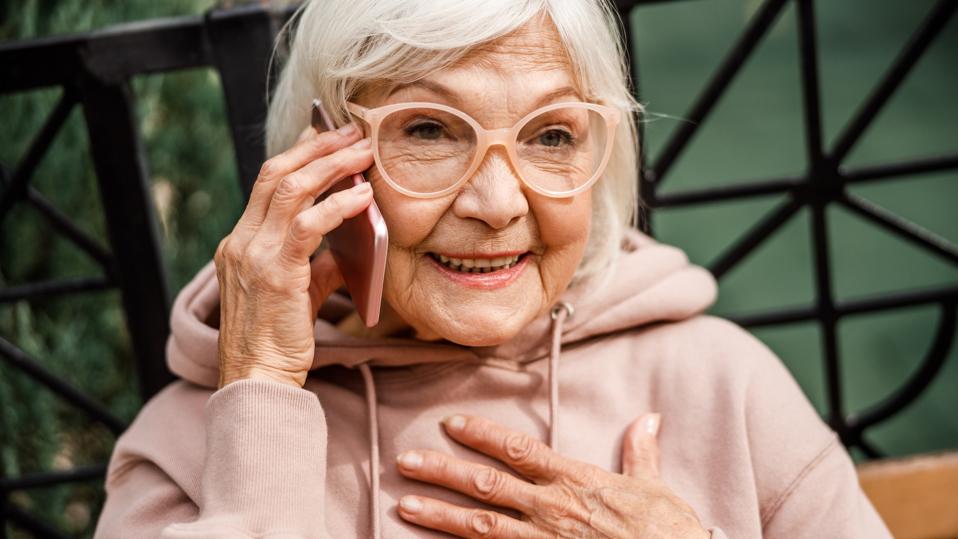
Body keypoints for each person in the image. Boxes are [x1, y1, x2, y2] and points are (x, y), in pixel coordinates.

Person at [94, 0, 892, 537]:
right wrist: (262, 390)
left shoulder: (725, 384)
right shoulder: (188, 444)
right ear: (323, 154)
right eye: (432, 130)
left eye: (551, 136)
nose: (498, 201)